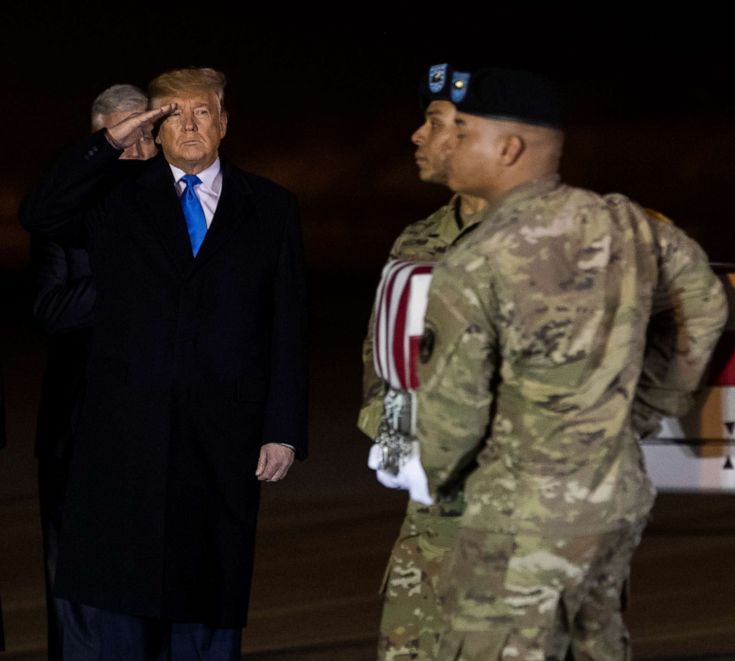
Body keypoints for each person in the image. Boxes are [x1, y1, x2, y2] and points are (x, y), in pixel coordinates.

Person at [413, 68, 728, 658]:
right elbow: (703, 301)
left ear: (508, 148)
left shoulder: (477, 258)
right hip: (612, 497)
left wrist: (437, 478)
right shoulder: (627, 223)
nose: (449, 143)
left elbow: (453, 417)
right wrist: (650, 406)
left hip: (518, 514)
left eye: (464, 130)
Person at [21, 67, 308, 659]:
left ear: (224, 123)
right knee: (124, 604)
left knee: (209, 600)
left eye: (202, 111)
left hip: (223, 442)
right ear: (154, 125)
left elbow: (287, 325)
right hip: (129, 440)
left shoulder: (272, 207)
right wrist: (110, 143)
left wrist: (282, 429)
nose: (189, 124)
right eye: (172, 113)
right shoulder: (118, 199)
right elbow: (41, 214)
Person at [358, 62, 487, 660]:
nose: (416, 135)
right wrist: (391, 442)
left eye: (434, 122)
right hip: (432, 528)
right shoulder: (418, 240)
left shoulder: (560, 237)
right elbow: (382, 361)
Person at [32, 83, 158, 661]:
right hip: (78, 422)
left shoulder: (175, 201)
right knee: (76, 574)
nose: (140, 147)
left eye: (147, 135)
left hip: (155, 417)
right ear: (102, 138)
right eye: (126, 137)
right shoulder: (67, 212)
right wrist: (125, 279)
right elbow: (50, 310)